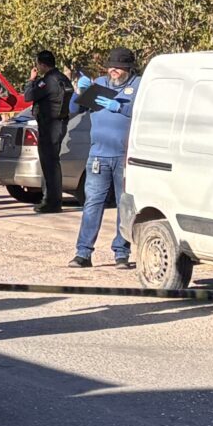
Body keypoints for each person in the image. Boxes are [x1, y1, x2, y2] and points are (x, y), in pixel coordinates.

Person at [70, 47, 140, 269]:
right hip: (98, 155)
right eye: (111, 66)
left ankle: (121, 253)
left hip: (125, 157)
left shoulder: (138, 86)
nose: (113, 70)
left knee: (123, 205)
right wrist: (77, 92)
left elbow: (146, 113)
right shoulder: (99, 83)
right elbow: (73, 109)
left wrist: (119, 108)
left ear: (128, 68)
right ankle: (83, 253)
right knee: (92, 204)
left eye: (118, 67)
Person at [24, 50, 74, 213]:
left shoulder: (48, 81)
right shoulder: (63, 78)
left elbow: (28, 96)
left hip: (50, 124)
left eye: (38, 64)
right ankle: (50, 199)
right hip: (59, 123)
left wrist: (31, 80)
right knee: (52, 162)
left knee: (50, 164)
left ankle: (51, 201)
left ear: (43, 65)